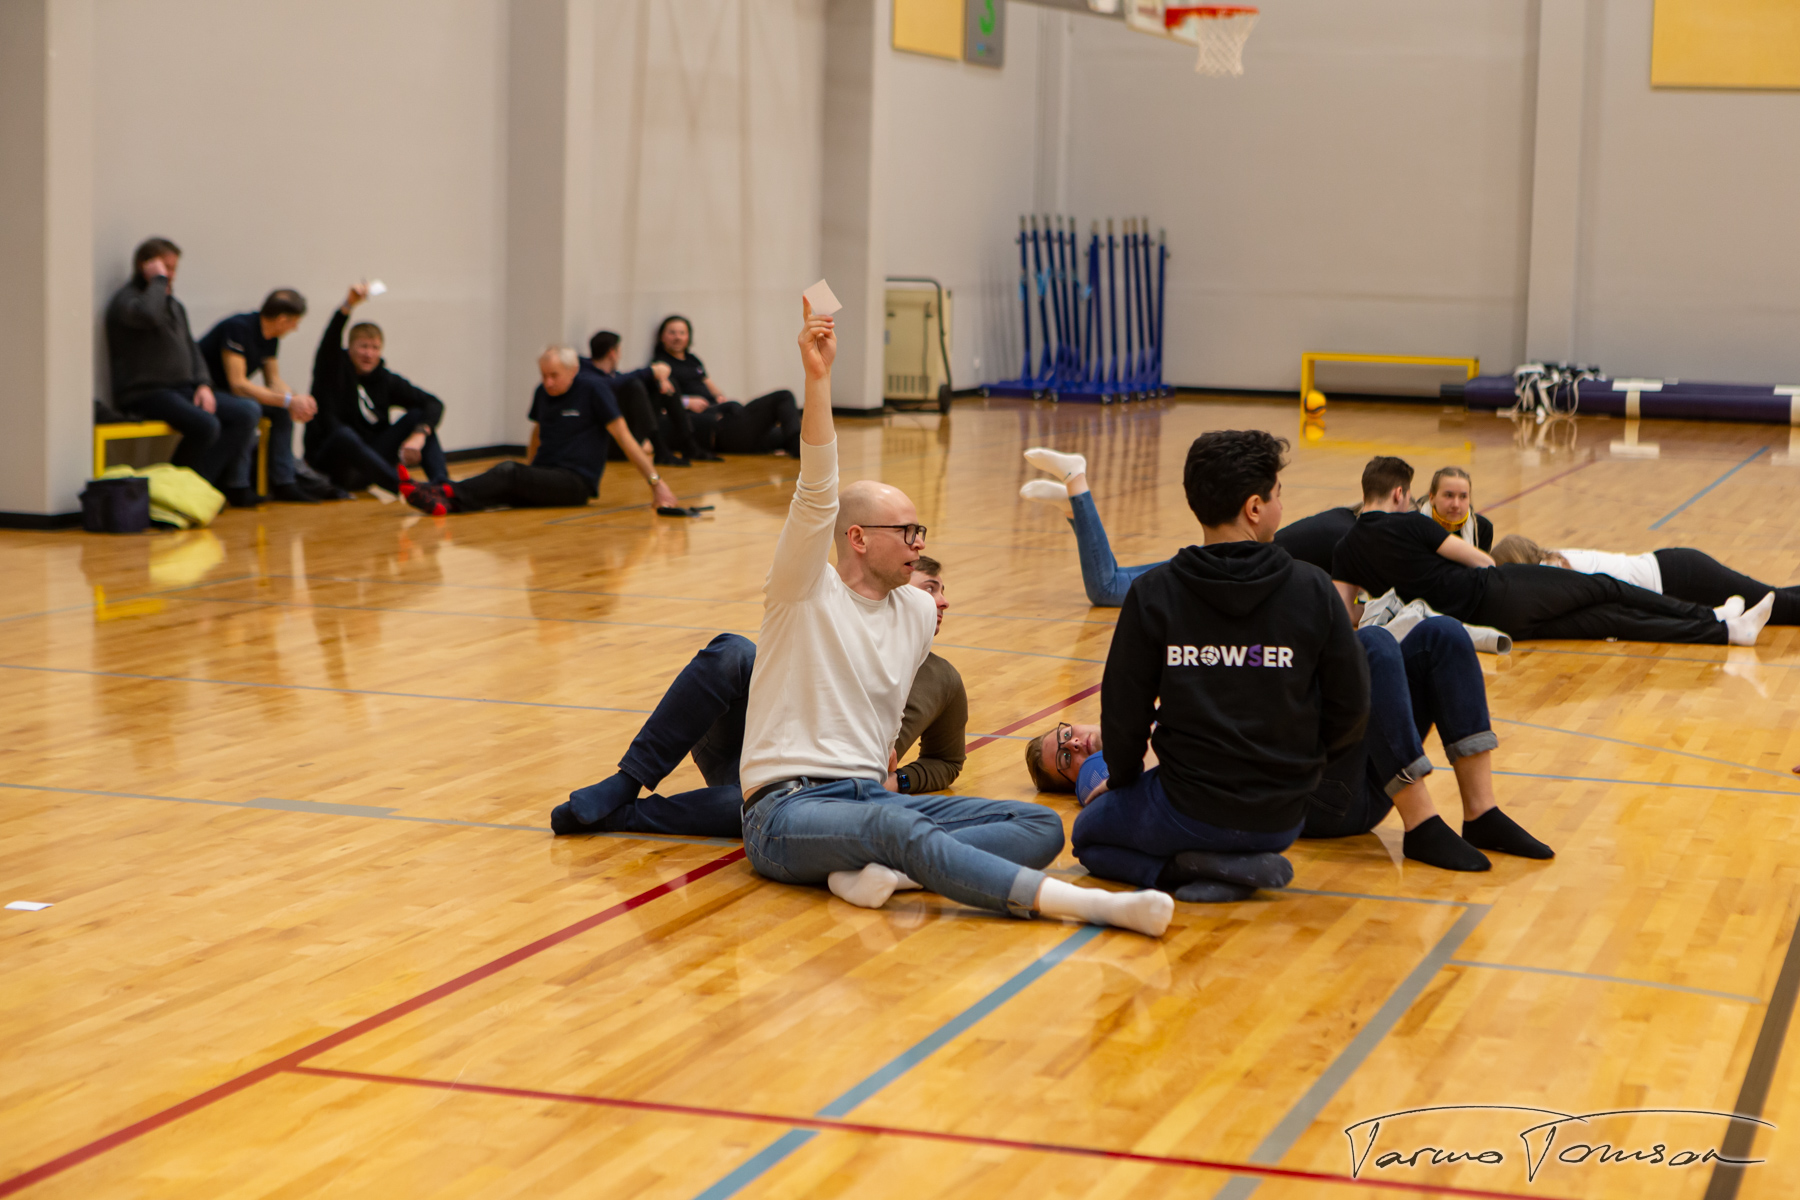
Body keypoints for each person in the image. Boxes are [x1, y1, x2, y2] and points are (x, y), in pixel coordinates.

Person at [734, 298, 1170, 936]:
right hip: (785, 812)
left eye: (921, 530)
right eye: (905, 531)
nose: (919, 543)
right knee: (891, 825)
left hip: (872, 800)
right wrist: (818, 379)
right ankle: (1084, 906)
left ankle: (889, 875)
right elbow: (817, 490)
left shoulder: (915, 610)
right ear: (856, 538)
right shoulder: (803, 589)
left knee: (1039, 825)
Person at [1057, 430, 1371, 903]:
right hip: (1283, 816)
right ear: (1254, 508)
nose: (1281, 506)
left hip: (1186, 809)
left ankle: (1189, 868)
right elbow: (1353, 706)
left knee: (1087, 835)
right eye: (1278, 495)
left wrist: (1122, 784)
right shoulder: (1312, 588)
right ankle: (1230, 865)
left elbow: (1123, 712)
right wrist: (1301, 770)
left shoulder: (1155, 592)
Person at [1030, 618, 1553, 881]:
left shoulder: (1138, 712)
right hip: (1318, 800)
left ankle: (1481, 813)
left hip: (1353, 765)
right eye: (1064, 758)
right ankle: (1421, 825)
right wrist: (1096, 771)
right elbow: (1108, 790)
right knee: (1373, 645)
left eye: (1064, 733)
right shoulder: (1103, 765)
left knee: (1442, 634)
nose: (1074, 743)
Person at [552, 557, 965, 838]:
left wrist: (900, 781)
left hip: (812, 790)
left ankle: (622, 817)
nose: (942, 601)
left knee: (775, 804)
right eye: (929, 589)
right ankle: (626, 781)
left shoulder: (944, 679)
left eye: (943, 590)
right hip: (759, 742)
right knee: (734, 651)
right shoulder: (840, 628)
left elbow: (947, 761)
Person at [1332, 456, 1772, 645]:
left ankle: (1728, 634)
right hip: (1500, 590)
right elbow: (1479, 560)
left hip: (1489, 624)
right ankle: (1713, 617)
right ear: (1398, 493)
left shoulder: (1345, 548)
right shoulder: (1411, 522)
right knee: (1607, 589)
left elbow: (1347, 613)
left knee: (1608, 622)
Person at [1018, 446, 1358, 604]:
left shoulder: (1344, 521)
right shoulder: (1355, 539)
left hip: (1226, 558)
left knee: (1113, 580)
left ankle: (1076, 506)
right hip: (1228, 567)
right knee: (1106, 588)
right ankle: (1076, 480)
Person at [405, 347, 679, 514]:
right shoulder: (543, 392)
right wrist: (531, 469)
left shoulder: (594, 390)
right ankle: (447, 505)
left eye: (554, 376)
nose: (547, 382)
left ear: (573, 370)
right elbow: (537, 432)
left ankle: (443, 490)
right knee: (504, 491)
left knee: (509, 472)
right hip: (546, 473)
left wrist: (656, 484)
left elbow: (624, 437)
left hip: (576, 483)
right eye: (543, 375)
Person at [103, 237, 261, 501]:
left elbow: (192, 349)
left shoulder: (175, 306)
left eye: (173, 269)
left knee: (246, 412)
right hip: (146, 393)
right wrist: (158, 281)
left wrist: (203, 384)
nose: (171, 275)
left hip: (182, 389)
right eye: (166, 268)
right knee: (206, 425)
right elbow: (149, 315)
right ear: (146, 266)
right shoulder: (128, 301)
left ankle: (199, 487)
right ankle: (175, 490)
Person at [305, 283, 448, 496]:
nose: (369, 354)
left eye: (374, 348)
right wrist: (348, 305)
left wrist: (420, 433)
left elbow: (433, 403)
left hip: (371, 464)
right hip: (335, 464)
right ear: (350, 348)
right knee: (344, 435)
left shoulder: (385, 379)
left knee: (420, 416)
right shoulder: (333, 370)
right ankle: (406, 489)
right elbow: (329, 341)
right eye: (363, 346)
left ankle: (443, 486)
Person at [1492, 535, 1800, 625]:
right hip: (1673, 572)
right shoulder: (1552, 561)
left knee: (1777, 605)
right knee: (1775, 596)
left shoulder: (1551, 571)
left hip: (1680, 575)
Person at [198, 289, 324, 503]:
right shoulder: (238, 328)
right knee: (249, 409)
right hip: (206, 391)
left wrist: (297, 400)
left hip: (229, 394)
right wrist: (289, 400)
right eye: (294, 322)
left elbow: (273, 381)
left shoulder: (271, 338)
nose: (295, 328)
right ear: (282, 319)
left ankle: (284, 482)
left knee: (281, 410)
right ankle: (237, 485)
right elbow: (238, 384)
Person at [654, 314, 801, 459]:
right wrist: (688, 402)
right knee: (784, 397)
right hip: (719, 428)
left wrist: (719, 397)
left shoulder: (692, 360)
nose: (677, 337)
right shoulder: (661, 365)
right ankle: (798, 449)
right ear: (662, 337)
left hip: (727, 419)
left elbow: (709, 384)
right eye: (672, 332)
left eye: (682, 333)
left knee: (784, 432)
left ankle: (798, 447)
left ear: (688, 337)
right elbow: (662, 398)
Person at [582, 331, 680, 465]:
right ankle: (659, 448)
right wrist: (651, 371)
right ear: (612, 353)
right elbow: (608, 385)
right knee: (634, 385)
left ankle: (687, 445)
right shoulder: (587, 375)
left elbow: (618, 380)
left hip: (621, 434)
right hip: (606, 440)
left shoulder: (612, 375)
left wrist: (661, 379)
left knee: (663, 385)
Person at [1415, 466, 1493, 551]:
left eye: (1463, 497)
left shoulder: (1482, 528)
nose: (1456, 505)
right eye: (1449, 495)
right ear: (1432, 497)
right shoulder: (1413, 525)